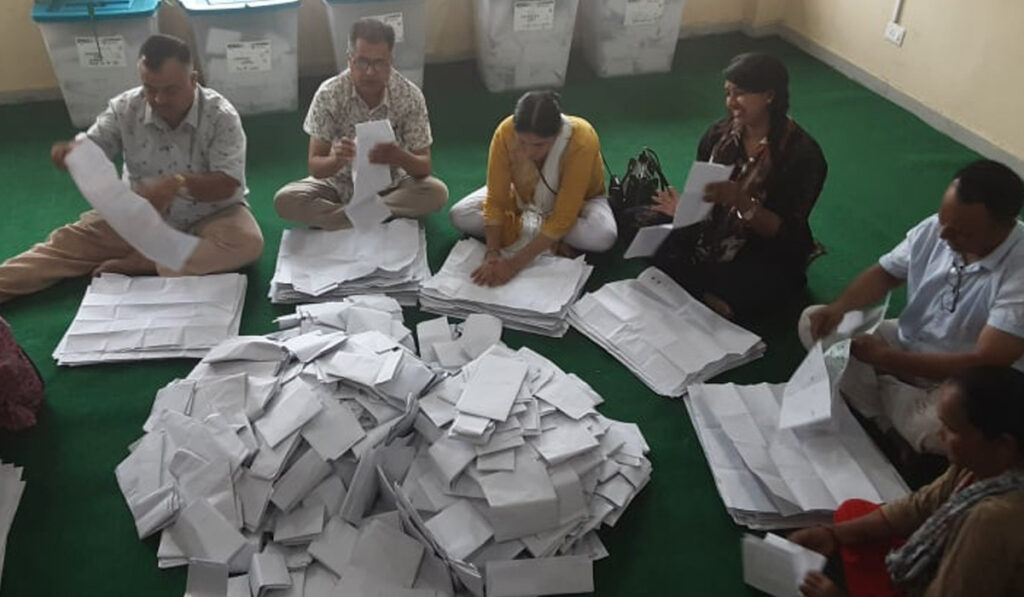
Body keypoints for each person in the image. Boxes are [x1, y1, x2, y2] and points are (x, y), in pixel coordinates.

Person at [0, 34, 263, 304]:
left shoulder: (221, 116)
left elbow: (228, 184)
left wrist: (178, 184)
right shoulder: (125, 107)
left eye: (171, 90)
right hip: (138, 215)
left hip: (210, 214)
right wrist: (73, 154)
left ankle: (149, 262)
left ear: (193, 79)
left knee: (247, 243)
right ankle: (166, 258)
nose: (159, 99)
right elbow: (94, 146)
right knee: (61, 247)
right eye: (150, 88)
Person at [799, 159, 1024, 455]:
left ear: (1002, 227)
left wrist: (885, 360)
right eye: (944, 221)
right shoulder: (941, 228)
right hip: (907, 341)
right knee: (814, 323)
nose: (943, 236)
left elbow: (985, 363)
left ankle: (881, 393)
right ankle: (886, 424)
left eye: (960, 233)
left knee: (938, 431)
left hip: (962, 382)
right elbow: (886, 274)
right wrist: (839, 308)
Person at [788, 366, 1024, 597]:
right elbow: (917, 507)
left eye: (951, 429)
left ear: (1002, 446)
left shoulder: (994, 518)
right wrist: (833, 535)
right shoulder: (978, 467)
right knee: (853, 513)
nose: (940, 434)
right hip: (948, 564)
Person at [630, 52, 827, 322]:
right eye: (728, 93)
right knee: (639, 225)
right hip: (709, 231)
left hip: (761, 247)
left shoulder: (802, 157)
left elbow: (784, 232)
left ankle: (703, 287)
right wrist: (685, 209)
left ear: (769, 96)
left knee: (760, 284)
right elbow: (701, 194)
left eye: (740, 94)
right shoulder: (718, 135)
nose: (731, 102)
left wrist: (741, 201)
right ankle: (708, 293)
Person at [273, 18, 447, 229]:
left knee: (436, 193)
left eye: (379, 63)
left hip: (392, 184)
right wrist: (337, 160)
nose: (370, 72)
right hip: (339, 184)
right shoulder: (329, 94)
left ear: (391, 61)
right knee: (286, 200)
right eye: (362, 62)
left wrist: (399, 156)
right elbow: (316, 167)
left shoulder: (409, 96)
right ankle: (373, 215)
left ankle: (343, 219)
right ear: (350, 60)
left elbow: (424, 166)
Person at [449, 90, 616, 287]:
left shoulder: (581, 138)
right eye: (522, 142)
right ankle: (544, 235)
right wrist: (492, 253)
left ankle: (531, 229)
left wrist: (513, 265)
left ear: (557, 135)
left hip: (582, 202)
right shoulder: (505, 132)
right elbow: (495, 199)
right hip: (522, 197)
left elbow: (564, 216)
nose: (529, 152)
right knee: (460, 215)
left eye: (539, 145)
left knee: (603, 237)